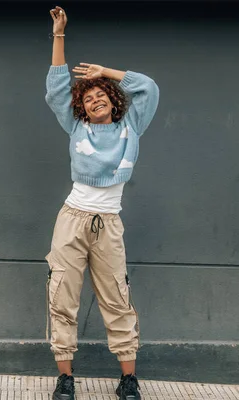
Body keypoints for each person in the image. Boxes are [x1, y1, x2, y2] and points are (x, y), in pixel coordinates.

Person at [45, 6, 160, 400]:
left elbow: (148, 86)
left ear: (111, 99)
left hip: (109, 223)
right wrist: (59, 35)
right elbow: (57, 88)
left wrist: (104, 72)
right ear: (82, 109)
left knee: (117, 297)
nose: (94, 100)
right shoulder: (76, 127)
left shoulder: (132, 127)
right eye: (88, 99)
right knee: (62, 295)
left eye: (100, 96)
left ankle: (128, 379)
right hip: (72, 219)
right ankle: (66, 378)